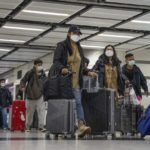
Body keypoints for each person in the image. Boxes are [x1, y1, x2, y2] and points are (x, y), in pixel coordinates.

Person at [53, 25, 95, 137]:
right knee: (63, 104)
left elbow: (81, 66)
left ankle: (81, 126)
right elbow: (56, 61)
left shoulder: (79, 48)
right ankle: (60, 126)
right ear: (69, 34)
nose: (76, 36)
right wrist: (62, 68)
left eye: (78, 34)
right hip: (63, 81)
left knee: (78, 103)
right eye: (74, 33)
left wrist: (87, 72)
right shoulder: (61, 46)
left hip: (76, 81)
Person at [20, 59, 46, 132]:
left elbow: (46, 83)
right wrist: (22, 86)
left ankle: (41, 127)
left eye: (41, 65)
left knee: (41, 112)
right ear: (35, 65)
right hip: (30, 96)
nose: (40, 67)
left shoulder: (43, 74)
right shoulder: (30, 72)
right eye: (38, 65)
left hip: (40, 96)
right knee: (29, 113)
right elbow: (23, 80)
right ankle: (27, 127)